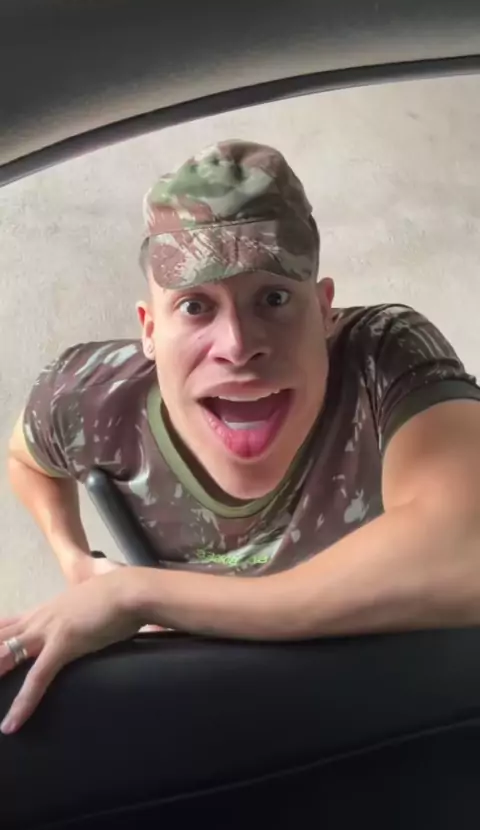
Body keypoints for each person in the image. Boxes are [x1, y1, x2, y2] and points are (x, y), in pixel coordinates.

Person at [2, 138, 480, 735]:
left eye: (273, 298)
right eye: (195, 307)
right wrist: (75, 560)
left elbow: (463, 547)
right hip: (206, 719)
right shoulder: (93, 394)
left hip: (384, 709)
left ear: (325, 310)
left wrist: (141, 595)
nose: (237, 344)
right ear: (149, 329)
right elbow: (27, 459)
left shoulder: (384, 354)